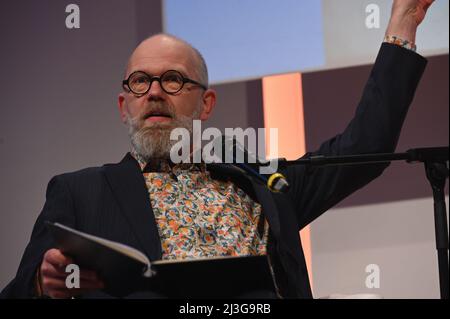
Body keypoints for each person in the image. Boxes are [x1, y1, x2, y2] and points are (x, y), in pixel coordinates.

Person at [1, 0, 433, 299]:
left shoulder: (262, 181)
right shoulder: (80, 193)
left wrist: (404, 19)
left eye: (172, 80)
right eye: (139, 82)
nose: (154, 92)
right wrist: (44, 283)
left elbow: (367, 146)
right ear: (124, 104)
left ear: (205, 103)